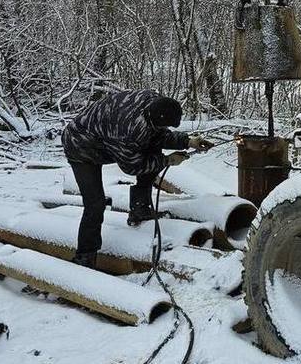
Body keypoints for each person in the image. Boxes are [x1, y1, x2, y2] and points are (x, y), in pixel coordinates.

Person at [61, 90, 213, 268]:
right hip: (80, 146)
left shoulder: (153, 103)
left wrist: (187, 141)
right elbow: (133, 166)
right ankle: (85, 256)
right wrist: (167, 160)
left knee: (151, 150)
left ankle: (139, 209)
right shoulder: (128, 130)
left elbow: (156, 135)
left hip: (104, 136)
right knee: (95, 204)